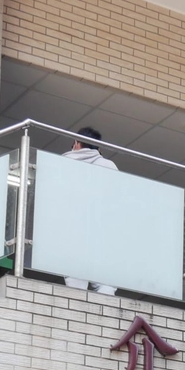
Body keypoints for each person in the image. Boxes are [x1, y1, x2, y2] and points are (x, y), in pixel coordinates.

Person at [62, 126, 118, 296]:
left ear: (76, 144)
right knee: (107, 282)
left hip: (72, 232)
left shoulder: (63, 164)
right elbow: (117, 202)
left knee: (75, 285)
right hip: (102, 233)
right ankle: (106, 316)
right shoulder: (109, 165)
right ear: (98, 148)